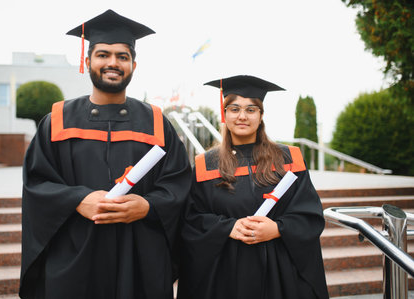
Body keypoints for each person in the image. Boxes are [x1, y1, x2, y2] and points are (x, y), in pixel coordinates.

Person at [20, 9, 192, 299]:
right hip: (75, 256)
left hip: (139, 258)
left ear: (134, 65)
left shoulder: (156, 122)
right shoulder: (59, 120)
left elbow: (179, 184)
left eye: (122, 56)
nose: (112, 63)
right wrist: (78, 199)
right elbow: (37, 183)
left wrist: (148, 206)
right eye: (103, 54)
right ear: (87, 61)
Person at [177, 75, 329, 299]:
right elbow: (190, 219)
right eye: (234, 108)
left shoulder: (289, 158)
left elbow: (310, 214)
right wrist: (228, 227)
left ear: (261, 116)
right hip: (226, 273)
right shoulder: (204, 165)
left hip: (280, 270)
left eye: (251, 110)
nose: (242, 116)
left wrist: (277, 229)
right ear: (225, 114)